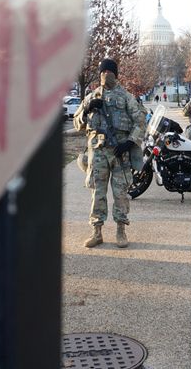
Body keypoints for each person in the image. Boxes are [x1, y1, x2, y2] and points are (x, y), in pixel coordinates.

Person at [74, 58, 147, 248]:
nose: (106, 75)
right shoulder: (91, 97)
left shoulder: (126, 97)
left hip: (119, 152)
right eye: (103, 72)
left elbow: (140, 121)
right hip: (97, 152)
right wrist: (87, 109)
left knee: (120, 193)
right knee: (97, 192)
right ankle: (96, 231)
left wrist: (130, 142)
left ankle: (121, 230)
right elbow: (77, 122)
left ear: (116, 74)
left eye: (110, 72)